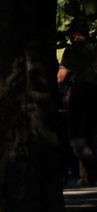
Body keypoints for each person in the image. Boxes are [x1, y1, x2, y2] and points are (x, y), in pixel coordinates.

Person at [60, 23, 97, 185]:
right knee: (91, 137)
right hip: (95, 96)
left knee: (78, 140)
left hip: (80, 96)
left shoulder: (72, 50)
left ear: (74, 34)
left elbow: (61, 77)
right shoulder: (95, 46)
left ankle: (93, 171)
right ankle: (87, 177)